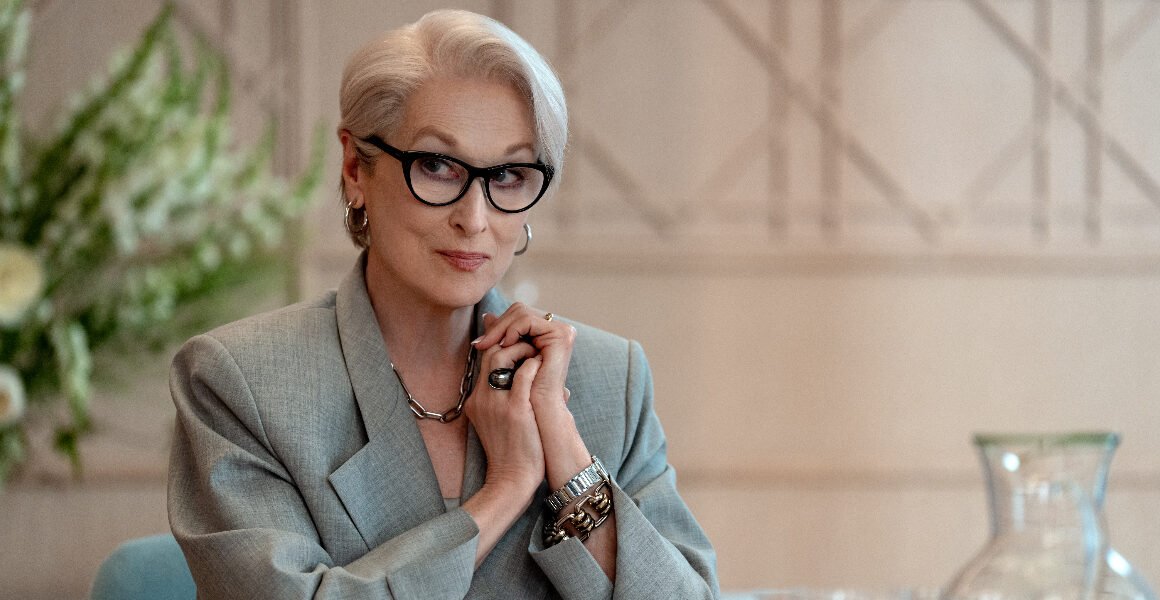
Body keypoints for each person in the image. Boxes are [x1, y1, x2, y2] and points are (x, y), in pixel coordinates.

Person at [167, 9, 718, 599]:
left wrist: (566, 455)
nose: (474, 218)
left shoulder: (610, 379)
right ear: (356, 168)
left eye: (507, 174)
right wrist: (505, 489)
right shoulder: (242, 382)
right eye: (435, 165)